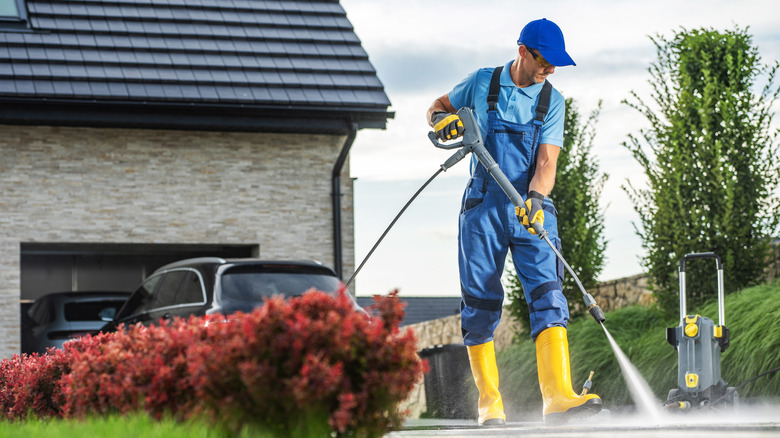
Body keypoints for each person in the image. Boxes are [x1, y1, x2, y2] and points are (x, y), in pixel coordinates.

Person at [426, 18, 602, 426]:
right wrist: (440, 122)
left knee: (549, 297)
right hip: (483, 209)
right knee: (481, 305)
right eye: (544, 61)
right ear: (523, 51)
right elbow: (437, 107)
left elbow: (547, 162)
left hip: (532, 212)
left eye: (556, 64)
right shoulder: (482, 83)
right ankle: (490, 404)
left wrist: (536, 200)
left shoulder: (551, 100)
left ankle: (558, 398)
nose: (550, 70)